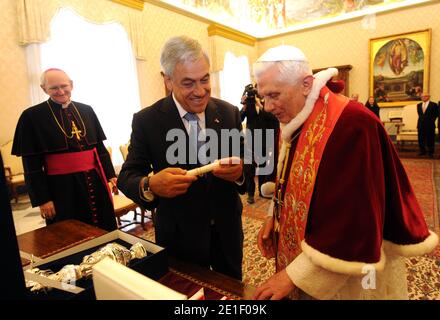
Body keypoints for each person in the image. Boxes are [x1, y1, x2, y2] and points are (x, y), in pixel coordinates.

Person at [252, 45, 438, 300]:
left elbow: (354, 219)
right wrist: (276, 216)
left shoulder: (352, 123)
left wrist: (295, 275)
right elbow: (291, 179)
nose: (268, 107)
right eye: (264, 97)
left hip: (349, 275)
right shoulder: (296, 116)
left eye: (274, 95)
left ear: (306, 84)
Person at [117, 36, 245, 280]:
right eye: (188, 83)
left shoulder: (229, 113)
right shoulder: (147, 120)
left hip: (227, 232)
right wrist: (150, 184)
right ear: (168, 80)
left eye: (205, 80)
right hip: (179, 237)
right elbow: (127, 176)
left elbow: (247, 161)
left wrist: (240, 173)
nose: (200, 91)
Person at [12, 68, 117, 231]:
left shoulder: (86, 110)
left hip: (95, 180)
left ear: (71, 85)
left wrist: (111, 175)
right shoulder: (31, 116)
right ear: (43, 89)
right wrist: (43, 199)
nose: (60, 91)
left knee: (104, 225)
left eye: (64, 86)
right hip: (61, 188)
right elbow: (31, 164)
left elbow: (99, 147)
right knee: (69, 232)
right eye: (54, 88)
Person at [240, 84, 280, 204]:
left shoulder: (267, 105)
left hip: (264, 142)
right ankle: (251, 194)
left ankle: (263, 191)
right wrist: (244, 107)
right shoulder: (249, 105)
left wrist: (260, 105)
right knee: (248, 169)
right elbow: (239, 119)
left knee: (263, 168)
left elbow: (274, 120)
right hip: (250, 142)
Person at [416, 92, 438, 158]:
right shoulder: (419, 105)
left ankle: (431, 152)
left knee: (430, 138)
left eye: (425, 96)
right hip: (420, 124)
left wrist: (430, 121)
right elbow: (420, 115)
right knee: (421, 138)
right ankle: (422, 151)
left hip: (430, 124)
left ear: (429, 97)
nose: (423, 97)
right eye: (422, 96)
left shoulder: (434, 105)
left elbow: (436, 114)